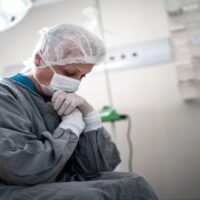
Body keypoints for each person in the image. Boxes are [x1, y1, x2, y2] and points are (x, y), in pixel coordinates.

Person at [0, 23, 158, 200]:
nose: (76, 84)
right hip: (12, 189)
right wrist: (70, 126)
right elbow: (23, 169)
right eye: (69, 73)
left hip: (52, 184)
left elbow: (96, 169)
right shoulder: (5, 96)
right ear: (39, 59)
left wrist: (90, 119)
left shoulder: (59, 100)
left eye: (82, 76)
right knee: (90, 196)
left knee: (134, 183)